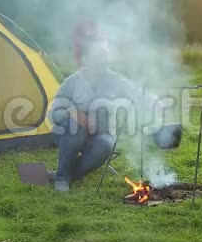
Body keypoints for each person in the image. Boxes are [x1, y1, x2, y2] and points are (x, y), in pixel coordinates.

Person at [47, 25, 156, 192]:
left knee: (105, 144)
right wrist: (71, 112)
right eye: (99, 55)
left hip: (102, 135)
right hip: (69, 135)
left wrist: (157, 103)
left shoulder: (115, 79)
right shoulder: (72, 82)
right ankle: (61, 180)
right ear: (86, 58)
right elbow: (52, 114)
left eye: (105, 55)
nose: (103, 59)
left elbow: (138, 94)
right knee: (76, 130)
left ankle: (64, 175)